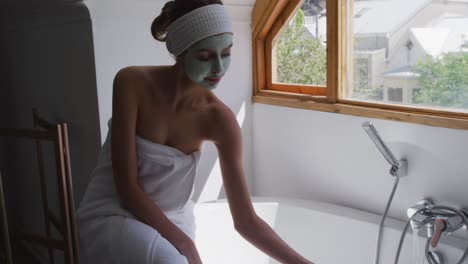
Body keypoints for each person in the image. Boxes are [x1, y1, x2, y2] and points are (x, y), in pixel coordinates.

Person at [76, 1, 314, 263]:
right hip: (114, 211)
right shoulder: (131, 83)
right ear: (180, 51)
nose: (219, 68)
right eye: (204, 56)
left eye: (226, 53)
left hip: (173, 218)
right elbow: (127, 188)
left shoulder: (219, 120)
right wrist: (185, 244)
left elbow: (246, 220)